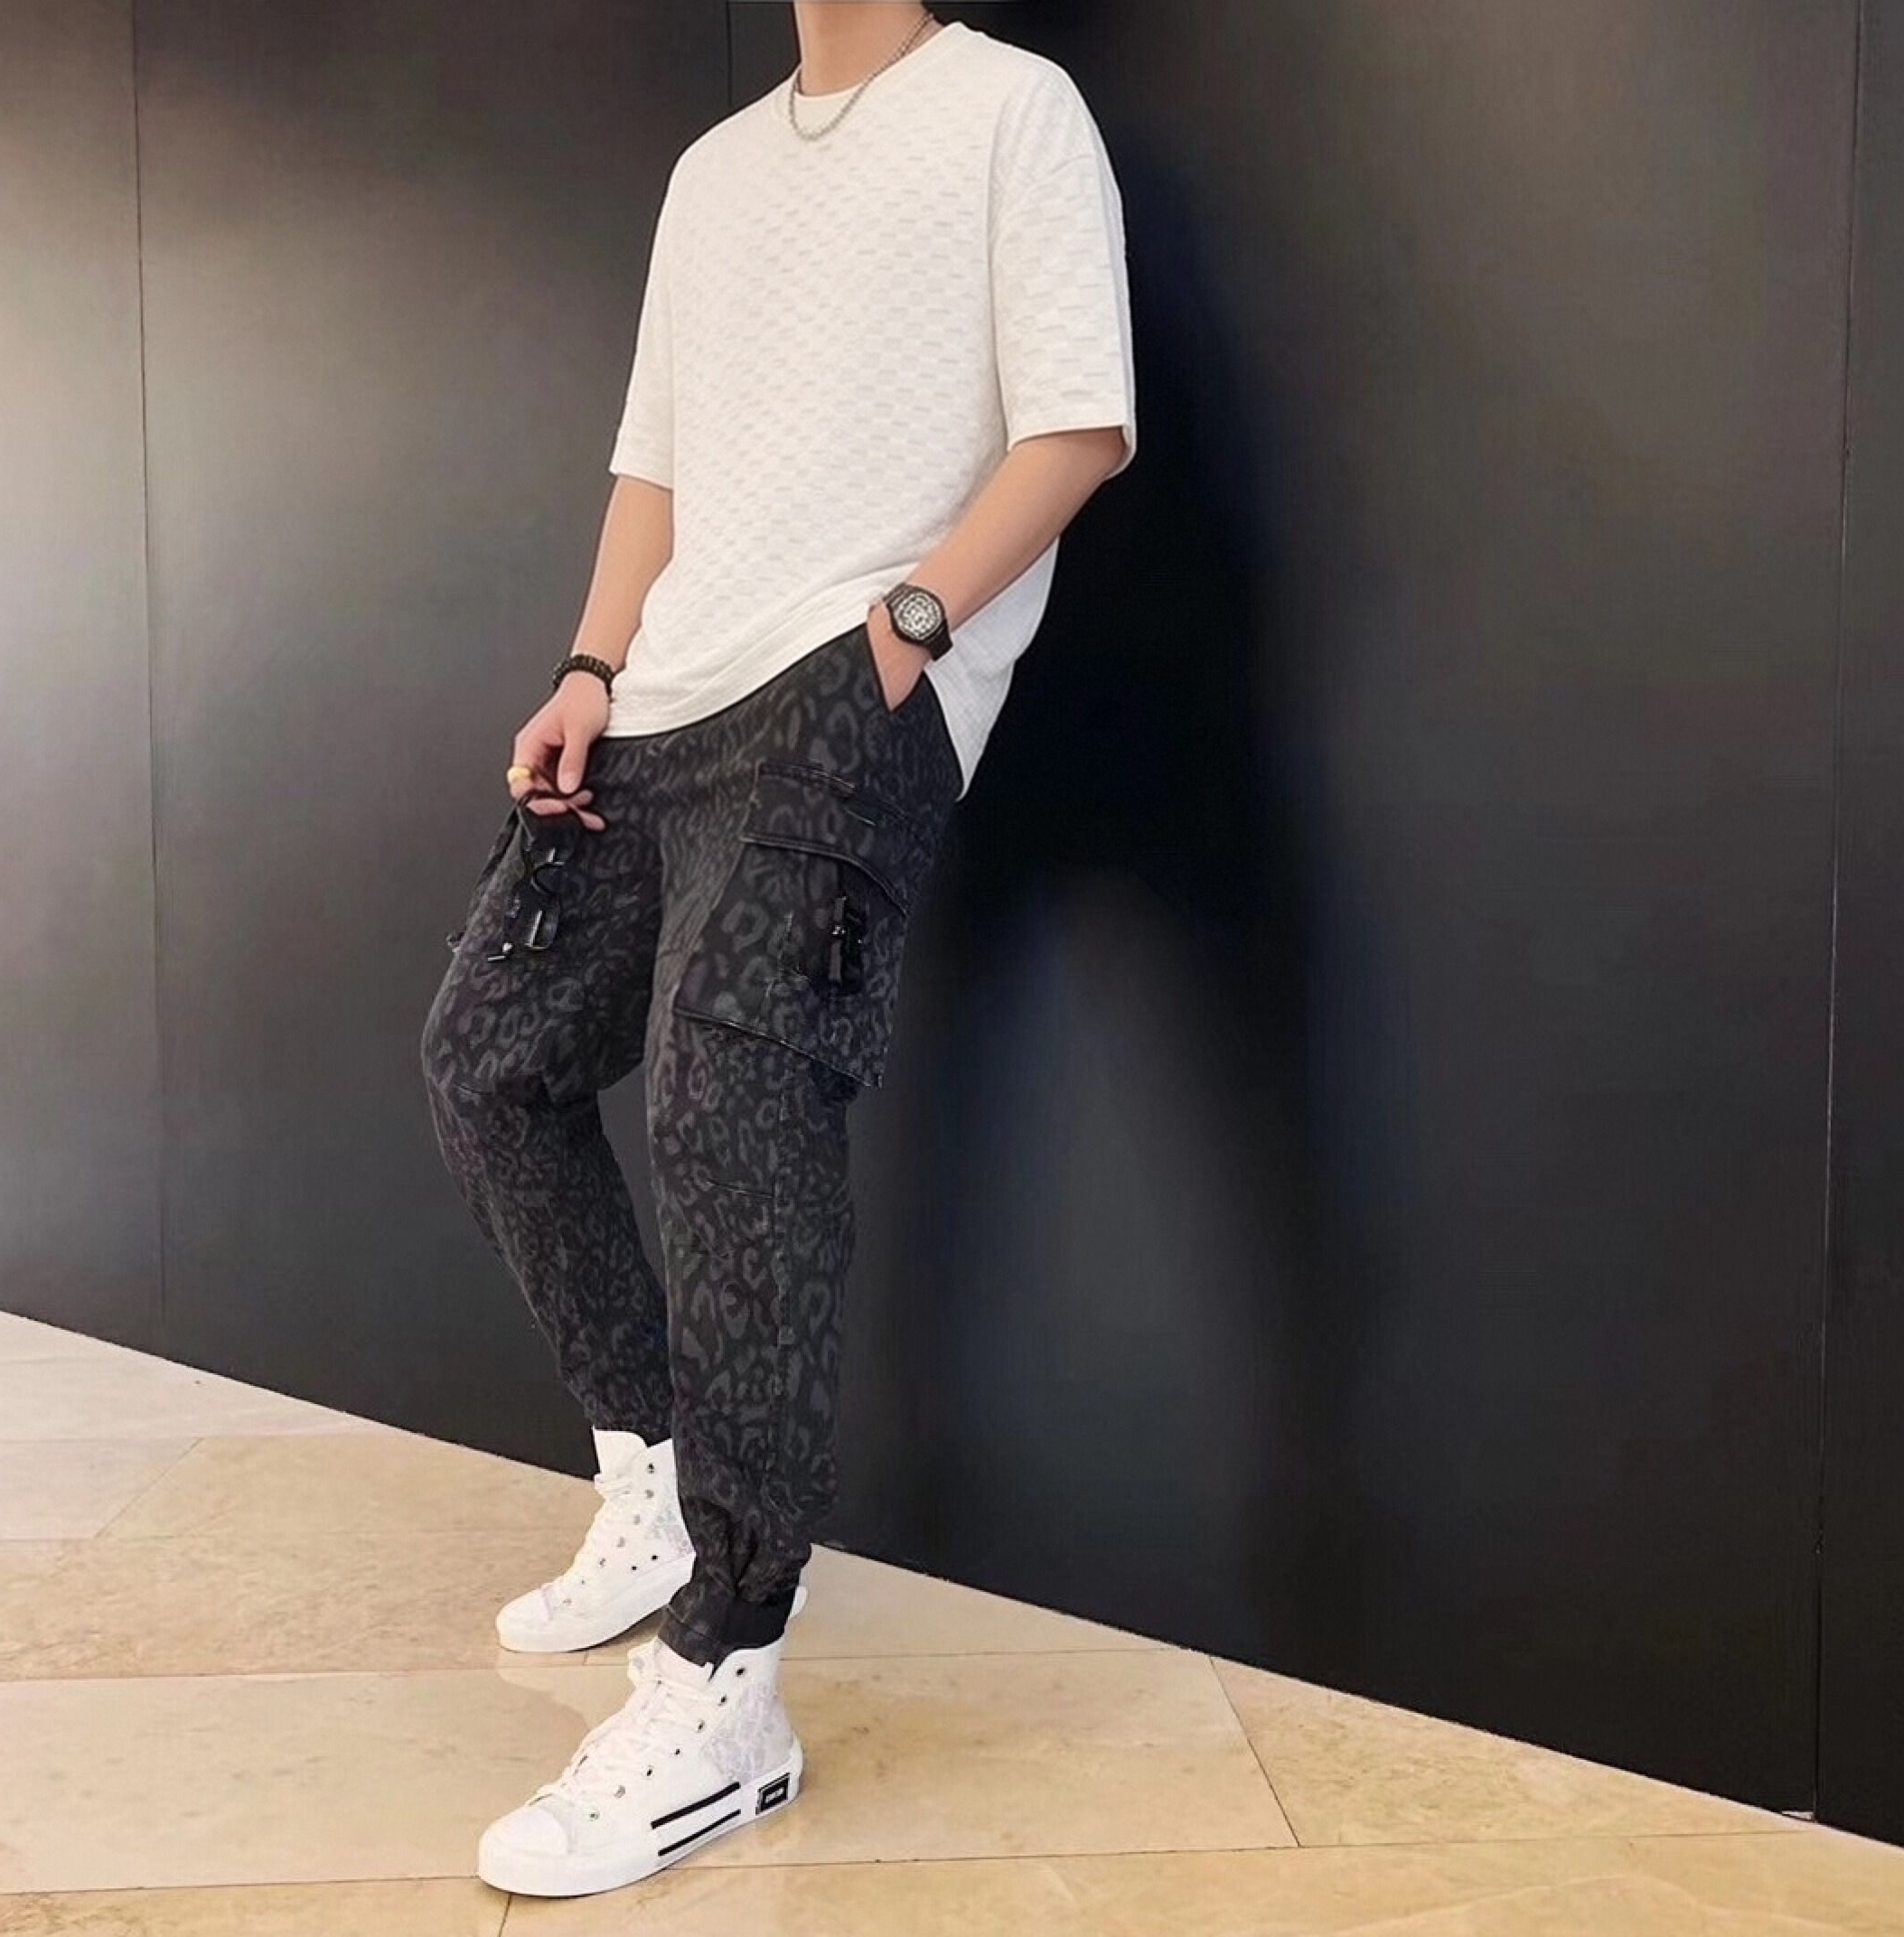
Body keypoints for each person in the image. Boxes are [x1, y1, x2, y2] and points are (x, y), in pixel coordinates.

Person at [418, 0, 1136, 1900]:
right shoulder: (713, 170)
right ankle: (652, 1485)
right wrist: (590, 664)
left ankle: (727, 1677)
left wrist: (903, 635)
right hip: (662, 697)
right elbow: (654, 467)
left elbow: (1079, 422)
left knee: (731, 1097)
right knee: (490, 1056)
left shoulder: (1013, 109)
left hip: (846, 692)